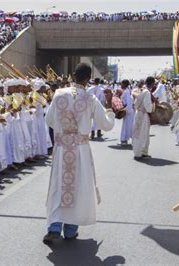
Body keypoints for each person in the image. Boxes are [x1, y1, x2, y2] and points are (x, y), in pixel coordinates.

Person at [43, 63, 114, 244]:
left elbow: (49, 119)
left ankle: (54, 227)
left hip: (61, 149)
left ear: (73, 75)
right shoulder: (90, 99)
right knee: (78, 189)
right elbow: (106, 125)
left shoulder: (59, 94)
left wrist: (63, 130)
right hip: (80, 149)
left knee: (59, 186)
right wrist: (110, 107)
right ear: (88, 78)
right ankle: (70, 230)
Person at [132, 76, 155, 160]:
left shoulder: (141, 90)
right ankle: (140, 153)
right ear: (152, 84)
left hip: (138, 113)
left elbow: (135, 103)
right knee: (142, 134)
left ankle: (141, 152)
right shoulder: (147, 93)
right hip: (143, 115)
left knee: (138, 133)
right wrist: (153, 107)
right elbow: (148, 107)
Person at [120, 79, 134, 145]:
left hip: (128, 111)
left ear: (124, 84)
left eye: (122, 84)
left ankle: (124, 140)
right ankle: (125, 139)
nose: (121, 85)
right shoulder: (126, 91)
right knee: (127, 126)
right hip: (128, 110)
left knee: (127, 126)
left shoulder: (126, 92)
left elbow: (128, 102)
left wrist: (125, 110)